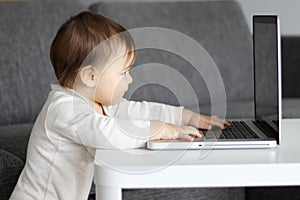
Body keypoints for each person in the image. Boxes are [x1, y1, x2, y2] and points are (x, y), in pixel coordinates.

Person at [10, 11, 229, 200]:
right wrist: (161, 129)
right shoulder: (62, 108)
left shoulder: (99, 104)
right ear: (91, 76)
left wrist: (186, 117)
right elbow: (108, 133)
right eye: (123, 72)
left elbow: (142, 110)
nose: (130, 79)